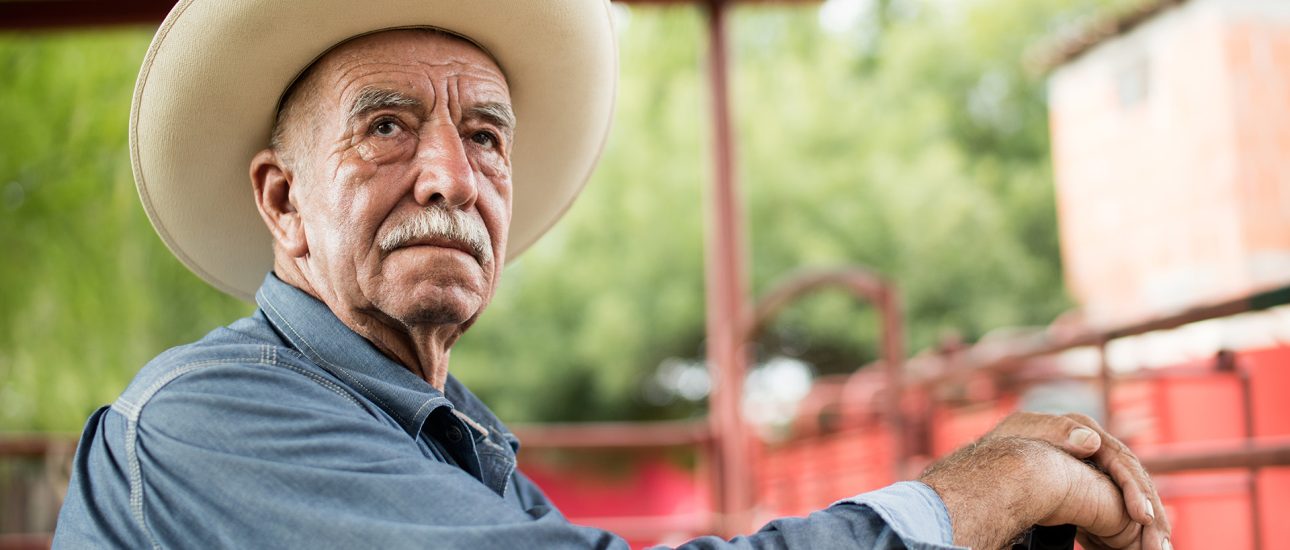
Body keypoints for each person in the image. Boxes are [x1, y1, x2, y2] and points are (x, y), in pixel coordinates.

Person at [53, 0, 1172, 548]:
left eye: (486, 135)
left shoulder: (456, 437)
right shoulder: (212, 418)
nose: (449, 173)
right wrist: (992, 489)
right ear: (284, 203)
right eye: (386, 126)